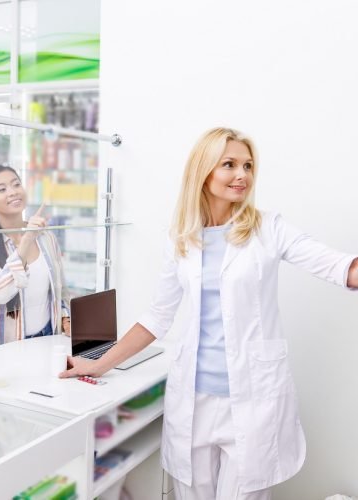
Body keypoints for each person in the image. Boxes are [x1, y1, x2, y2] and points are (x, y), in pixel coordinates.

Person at [59, 127, 358, 500]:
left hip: (252, 399)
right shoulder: (182, 238)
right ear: (204, 171)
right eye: (229, 164)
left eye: (248, 166)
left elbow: (342, 268)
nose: (242, 175)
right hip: (194, 399)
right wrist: (98, 364)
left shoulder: (269, 228)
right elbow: (157, 316)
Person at [0, 165, 71, 347]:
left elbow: (59, 288)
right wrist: (26, 240)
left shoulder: (46, 237)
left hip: (49, 337)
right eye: (2, 189)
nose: (13, 192)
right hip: (7, 345)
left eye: (16, 185)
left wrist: (65, 318)